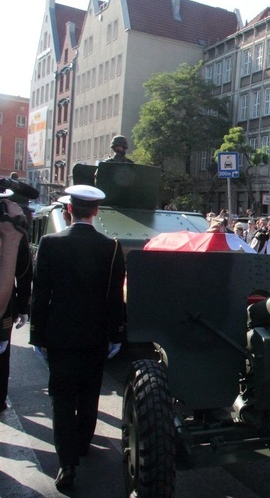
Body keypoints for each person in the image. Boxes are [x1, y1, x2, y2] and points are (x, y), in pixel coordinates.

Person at [30, 185, 126, 490]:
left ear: (69, 210)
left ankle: (67, 463)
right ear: (96, 211)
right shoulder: (111, 247)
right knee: (88, 394)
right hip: (95, 336)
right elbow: (115, 298)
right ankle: (83, 444)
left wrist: (37, 335)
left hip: (59, 335)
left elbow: (40, 294)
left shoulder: (49, 242)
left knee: (61, 399)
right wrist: (116, 335)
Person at [1, 187, 31, 414]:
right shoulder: (14, 231)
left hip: (6, 299)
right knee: (2, 351)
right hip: (5, 301)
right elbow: (23, 271)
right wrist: (22, 307)